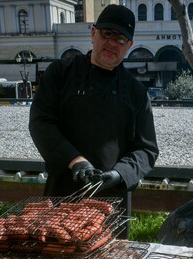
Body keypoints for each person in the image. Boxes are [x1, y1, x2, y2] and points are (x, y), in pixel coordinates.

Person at [29, 4, 159, 237]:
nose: (112, 42)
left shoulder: (136, 92)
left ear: (129, 46)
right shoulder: (60, 73)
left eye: (120, 39)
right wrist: (75, 160)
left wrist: (120, 174)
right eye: (107, 33)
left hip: (112, 201)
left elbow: (146, 149)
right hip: (62, 194)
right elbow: (41, 123)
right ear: (93, 33)